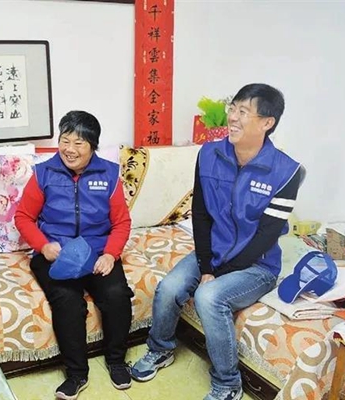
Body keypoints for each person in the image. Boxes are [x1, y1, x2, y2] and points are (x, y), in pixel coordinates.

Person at [130, 83, 305, 400]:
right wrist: (207, 265)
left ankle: (228, 383)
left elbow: (266, 236)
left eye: (244, 112)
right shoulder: (209, 154)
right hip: (212, 251)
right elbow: (200, 213)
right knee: (169, 287)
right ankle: (160, 349)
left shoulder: (287, 172)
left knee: (209, 297)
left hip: (257, 265)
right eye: (232, 108)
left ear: (267, 123)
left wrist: (217, 274)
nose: (233, 118)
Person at [14, 110, 134, 400]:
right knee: (68, 301)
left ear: (92, 146)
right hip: (55, 253)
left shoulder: (109, 174)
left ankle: (117, 362)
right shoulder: (43, 173)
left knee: (116, 295)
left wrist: (110, 254)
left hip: (97, 251)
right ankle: (76, 374)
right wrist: (43, 245)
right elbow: (23, 217)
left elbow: (121, 222)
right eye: (65, 141)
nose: (69, 149)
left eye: (78, 143)